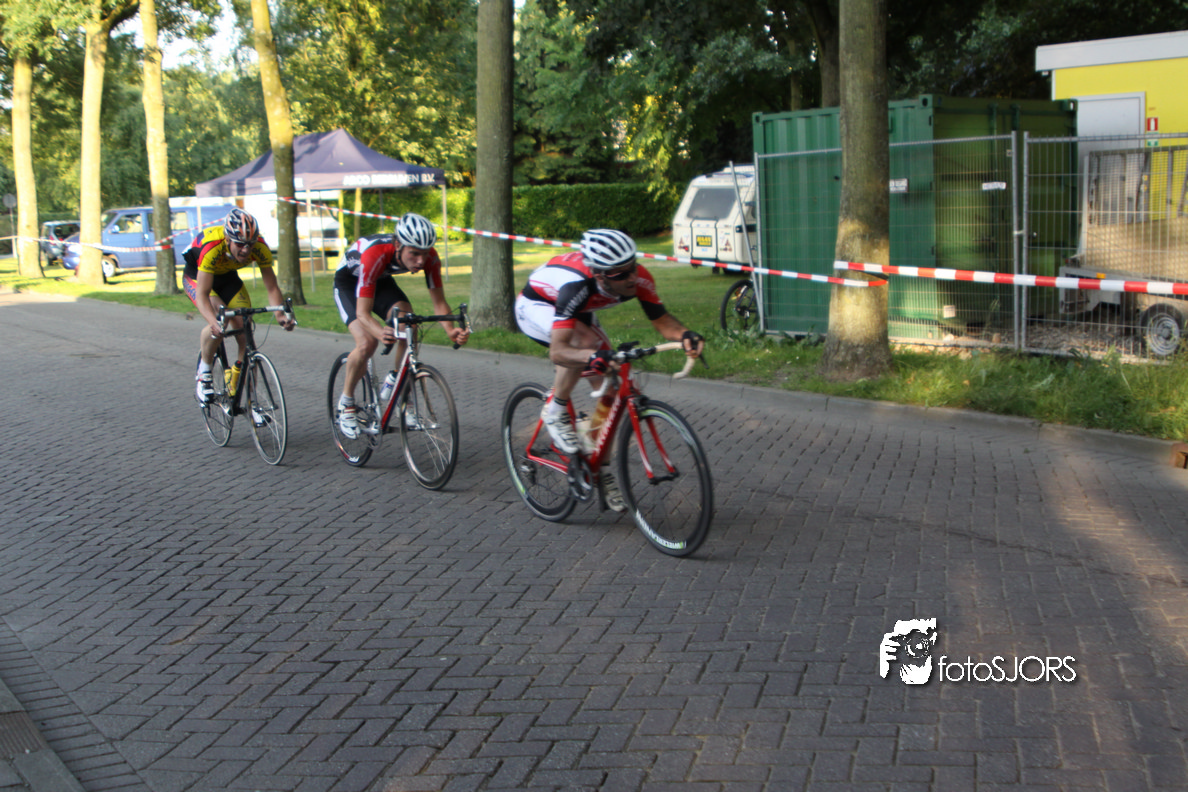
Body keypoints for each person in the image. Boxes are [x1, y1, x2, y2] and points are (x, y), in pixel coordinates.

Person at [514, 228, 704, 509]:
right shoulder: (576, 285)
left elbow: (662, 320)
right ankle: (555, 410)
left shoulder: (637, 277)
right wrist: (591, 357)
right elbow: (559, 350)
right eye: (621, 274)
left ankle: (596, 467)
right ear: (600, 275)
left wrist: (685, 334)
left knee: (612, 391)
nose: (632, 278)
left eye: (633, 267)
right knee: (585, 345)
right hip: (537, 306)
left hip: (578, 312)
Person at [332, 212, 469, 439]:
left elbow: (439, 303)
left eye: (425, 253)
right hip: (349, 283)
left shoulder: (430, 258)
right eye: (414, 253)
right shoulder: (375, 254)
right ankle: (346, 403)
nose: (421, 261)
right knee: (367, 343)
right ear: (398, 245)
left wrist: (450, 330)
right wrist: (380, 332)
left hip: (380, 280)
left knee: (409, 324)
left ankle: (399, 384)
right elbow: (363, 314)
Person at [184, 208, 295, 404]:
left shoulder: (260, 247)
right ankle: (204, 372)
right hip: (197, 276)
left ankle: (253, 404)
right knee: (222, 318)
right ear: (227, 239)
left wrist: (280, 315)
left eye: (250, 244)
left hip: (227, 278)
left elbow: (272, 287)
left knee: (245, 328)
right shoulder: (212, 247)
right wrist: (213, 322)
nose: (245, 250)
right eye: (240, 244)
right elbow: (202, 295)